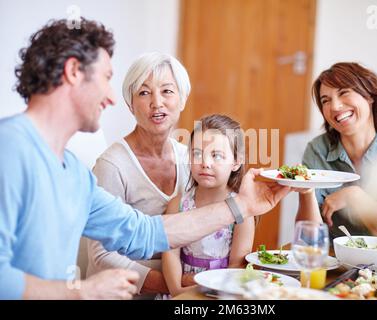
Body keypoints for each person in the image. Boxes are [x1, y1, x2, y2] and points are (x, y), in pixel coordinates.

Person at [0, 17, 290, 299]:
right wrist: (81, 293)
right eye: (107, 78)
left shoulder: (73, 172)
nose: (113, 98)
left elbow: (143, 232)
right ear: (74, 71)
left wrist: (242, 205)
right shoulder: (9, 150)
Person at [86, 52, 191, 297]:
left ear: (182, 99)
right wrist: (174, 284)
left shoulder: (190, 160)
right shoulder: (112, 165)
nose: (157, 103)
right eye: (144, 93)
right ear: (130, 104)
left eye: (167, 91)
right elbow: (102, 256)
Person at [295, 62, 377, 257]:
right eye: (325, 100)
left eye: (344, 92)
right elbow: (308, 242)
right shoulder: (317, 150)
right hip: (339, 268)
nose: (335, 106)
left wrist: (355, 198)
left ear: (369, 96)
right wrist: (306, 191)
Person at [162, 114, 255, 297]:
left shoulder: (242, 212)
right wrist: (177, 291)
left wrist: (202, 290)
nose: (205, 163)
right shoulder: (178, 205)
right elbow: (170, 256)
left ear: (236, 161)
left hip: (220, 294)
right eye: (197, 153)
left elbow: (236, 267)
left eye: (216, 155)